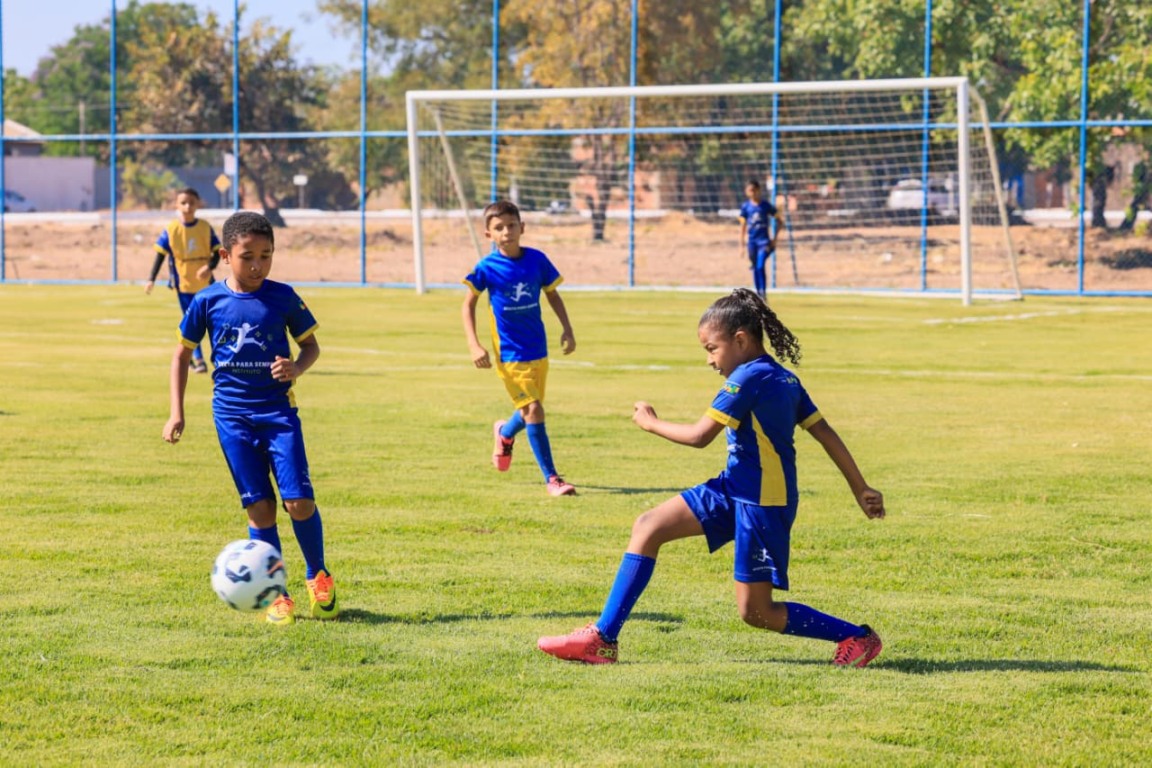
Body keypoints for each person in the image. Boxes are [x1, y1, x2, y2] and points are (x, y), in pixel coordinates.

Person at [538, 288, 885, 666]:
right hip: (733, 488)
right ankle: (602, 639)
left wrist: (650, 423)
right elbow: (825, 432)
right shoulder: (783, 377)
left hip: (763, 503)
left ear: (741, 340)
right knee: (648, 526)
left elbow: (699, 436)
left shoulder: (748, 379)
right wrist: (860, 487)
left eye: (711, 348)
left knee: (757, 612)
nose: (709, 359)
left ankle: (856, 637)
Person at [162, 211, 339, 626]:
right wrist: (176, 412)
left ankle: (318, 574)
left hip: (278, 414)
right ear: (225, 256)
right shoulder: (208, 301)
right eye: (248, 257)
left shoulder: (283, 297)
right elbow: (182, 355)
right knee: (260, 510)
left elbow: (311, 347)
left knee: (298, 501)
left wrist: (296, 368)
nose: (258, 265)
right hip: (232, 417)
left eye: (266, 255)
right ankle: (275, 592)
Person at [462, 200, 578, 497]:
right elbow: (468, 304)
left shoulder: (537, 260)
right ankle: (553, 479)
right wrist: (474, 345)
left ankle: (504, 433)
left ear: (522, 227)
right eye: (499, 227)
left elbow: (553, 295)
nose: (507, 232)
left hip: (537, 349)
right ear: (488, 234)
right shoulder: (487, 268)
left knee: (528, 410)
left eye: (511, 225)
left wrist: (567, 328)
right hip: (509, 353)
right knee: (534, 409)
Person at [145, 187, 222, 374]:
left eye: (191, 203)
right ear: (176, 205)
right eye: (183, 203)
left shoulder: (204, 227)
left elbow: (217, 252)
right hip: (184, 285)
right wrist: (151, 279)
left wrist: (209, 267)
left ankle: (221, 358)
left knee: (214, 321)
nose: (187, 206)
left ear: (198, 205)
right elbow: (160, 255)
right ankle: (199, 360)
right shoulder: (172, 229)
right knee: (192, 323)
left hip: (206, 285)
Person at [738, 179, 781, 301]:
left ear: (758, 190)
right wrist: (741, 246)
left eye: (753, 190)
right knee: (755, 267)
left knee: (760, 265)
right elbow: (742, 227)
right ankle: (758, 295)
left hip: (764, 242)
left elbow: (780, 221)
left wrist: (775, 239)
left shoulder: (765, 206)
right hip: (752, 243)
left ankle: (763, 293)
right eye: (749, 191)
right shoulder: (746, 207)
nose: (751, 193)